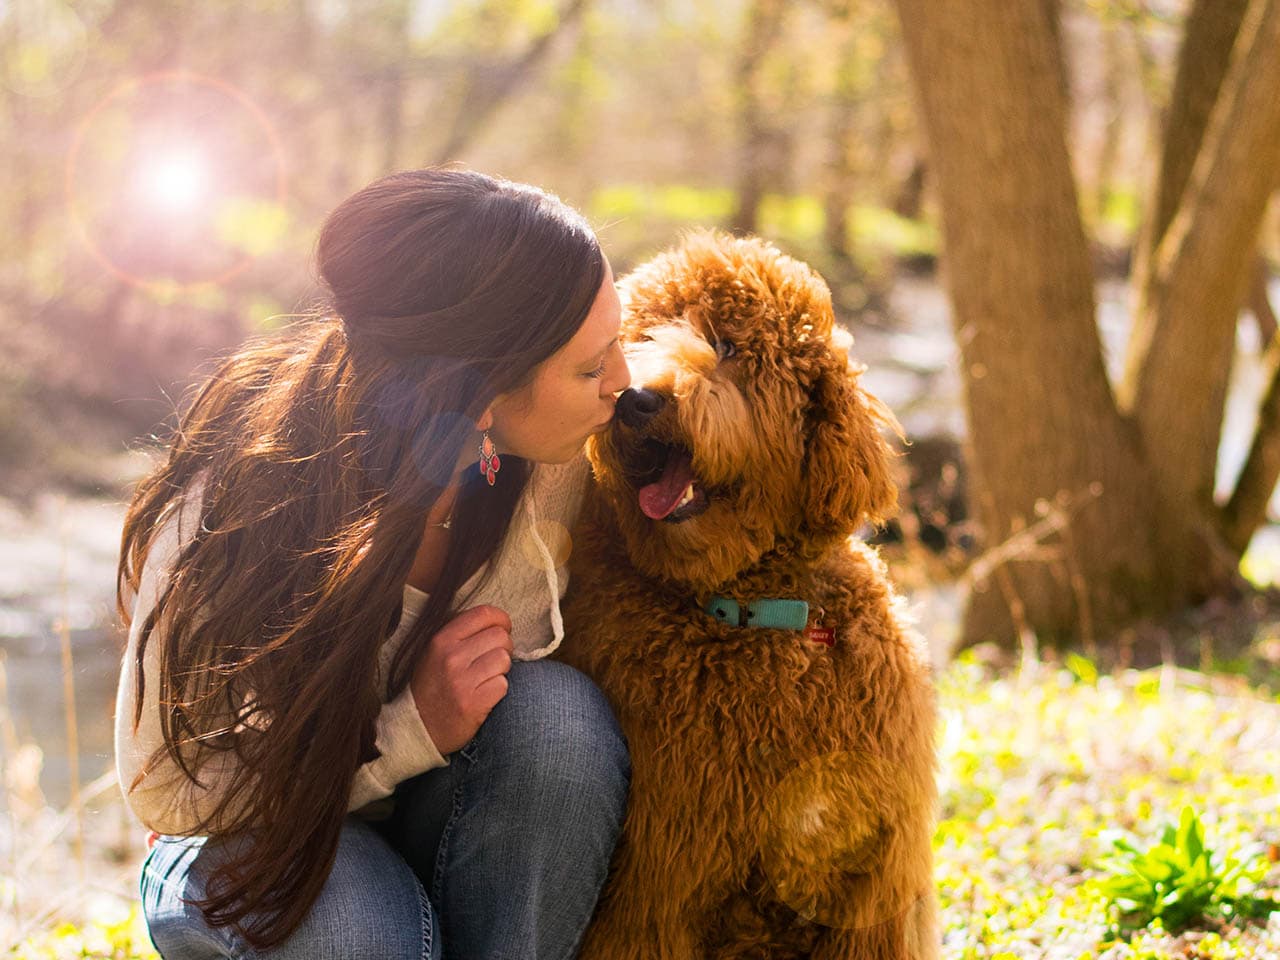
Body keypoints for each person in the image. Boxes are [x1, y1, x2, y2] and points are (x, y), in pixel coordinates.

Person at [114, 166, 635, 959]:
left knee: (558, 724)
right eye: (592, 368)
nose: (624, 386)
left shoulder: (553, 460)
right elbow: (169, 790)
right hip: (242, 840)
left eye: (619, 343)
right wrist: (411, 730)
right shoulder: (230, 511)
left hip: (432, 814)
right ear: (482, 396)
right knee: (360, 934)